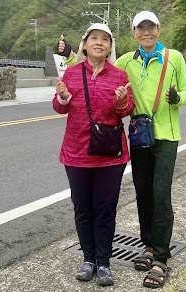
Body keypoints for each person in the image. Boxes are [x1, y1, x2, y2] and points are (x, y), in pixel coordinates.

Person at [114, 11, 186, 288]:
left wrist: (177, 97)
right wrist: (73, 55)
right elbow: (101, 72)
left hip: (167, 137)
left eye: (151, 26)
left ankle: (160, 256)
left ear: (159, 29)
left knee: (161, 193)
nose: (146, 32)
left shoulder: (175, 58)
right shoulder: (125, 61)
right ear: (134, 33)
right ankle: (147, 245)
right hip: (139, 135)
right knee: (143, 192)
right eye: (140, 28)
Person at [52, 23, 135, 286]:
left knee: (105, 208)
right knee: (83, 208)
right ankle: (88, 260)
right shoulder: (72, 74)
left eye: (105, 40)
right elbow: (59, 108)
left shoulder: (119, 76)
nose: (99, 43)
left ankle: (105, 263)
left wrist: (121, 100)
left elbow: (126, 110)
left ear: (110, 47)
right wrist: (63, 97)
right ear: (85, 45)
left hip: (110, 155)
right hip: (76, 153)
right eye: (94, 39)